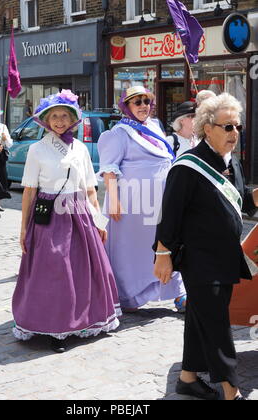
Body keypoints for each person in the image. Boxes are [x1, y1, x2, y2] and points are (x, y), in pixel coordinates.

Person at [153, 92, 258, 400]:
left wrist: (254, 196)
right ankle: (230, 390)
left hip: (225, 256)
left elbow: (239, 201)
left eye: (237, 126)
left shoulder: (232, 162)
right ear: (206, 127)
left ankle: (187, 378)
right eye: (227, 127)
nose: (234, 133)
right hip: (200, 260)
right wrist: (162, 255)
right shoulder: (187, 167)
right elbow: (169, 215)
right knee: (216, 324)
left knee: (201, 317)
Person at [12, 90, 121, 353]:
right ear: (46, 120)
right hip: (49, 216)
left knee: (85, 269)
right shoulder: (37, 150)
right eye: (55, 116)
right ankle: (56, 328)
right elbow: (29, 191)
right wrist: (24, 228)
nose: (60, 120)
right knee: (56, 271)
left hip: (79, 214)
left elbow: (90, 189)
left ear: (72, 119)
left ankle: (86, 319)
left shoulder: (81, 148)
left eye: (65, 115)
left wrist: (98, 222)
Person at [98, 86, 186, 313]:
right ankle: (127, 296)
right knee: (130, 250)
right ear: (126, 106)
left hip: (162, 200)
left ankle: (177, 292)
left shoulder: (155, 126)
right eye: (137, 102)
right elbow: (109, 168)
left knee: (167, 243)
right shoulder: (118, 133)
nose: (143, 106)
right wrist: (114, 199)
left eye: (146, 101)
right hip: (132, 203)